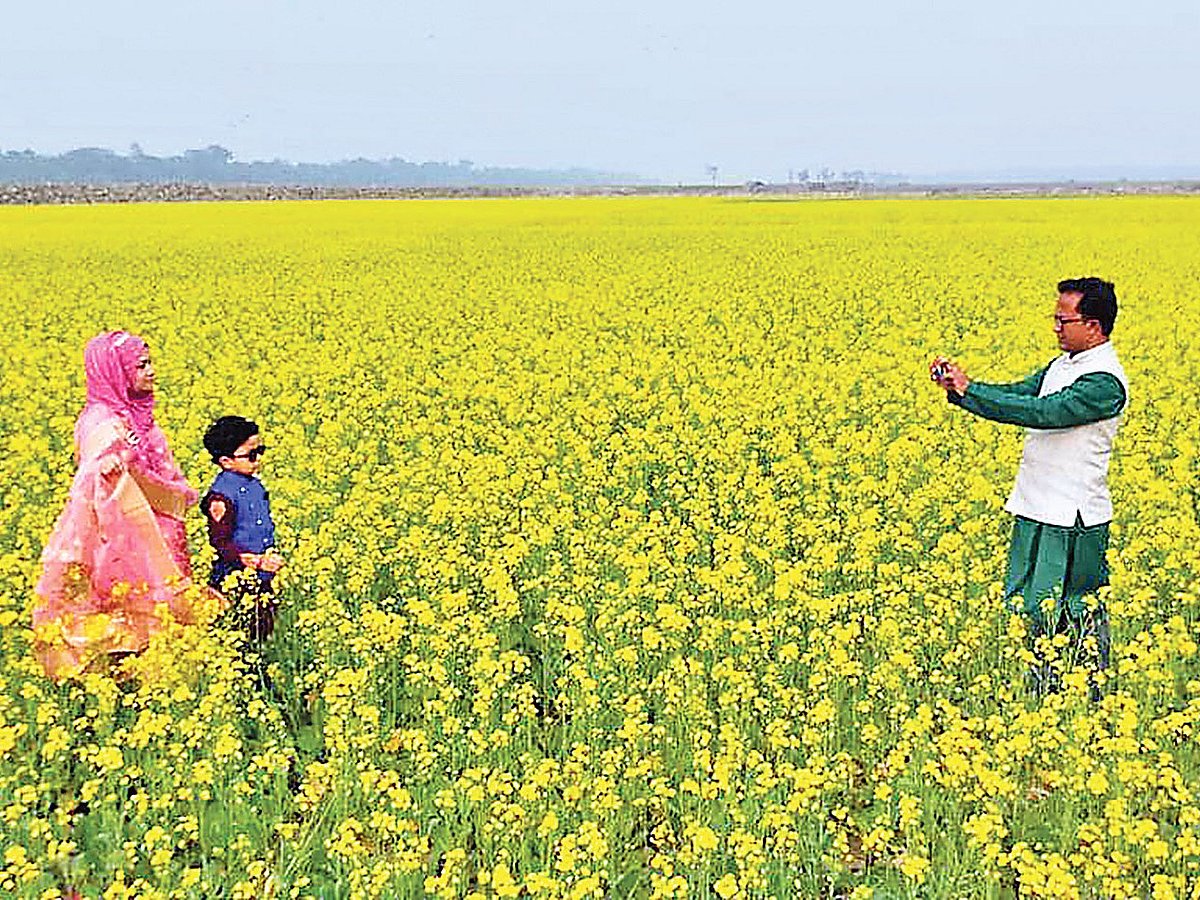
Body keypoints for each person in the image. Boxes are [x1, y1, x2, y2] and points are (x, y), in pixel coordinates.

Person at [931, 277, 1128, 694]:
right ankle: (1044, 693)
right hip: (1038, 507)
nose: (1055, 327)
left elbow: (1042, 412)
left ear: (1093, 325)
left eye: (1063, 320)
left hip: (1073, 516)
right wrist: (962, 389)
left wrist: (973, 391)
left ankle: (1092, 696)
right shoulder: (1062, 365)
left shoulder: (1104, 382)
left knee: (1078, 608)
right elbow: (1017, 394)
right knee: (1034, 609)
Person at [32, 331, 200, 678]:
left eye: (150, 363)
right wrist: (110, 469)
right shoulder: (102, 422)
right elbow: (93, 476)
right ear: (116, 372)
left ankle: (161, 692)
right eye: (141, 366)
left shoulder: (136, 414)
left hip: (157, 534)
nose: (152, 371)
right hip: (126, 544)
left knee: (160, 627)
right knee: (129, 625)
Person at [201, 415, 285, 640]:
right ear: (226, 461)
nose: (258, 459)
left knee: (263, 632)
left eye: (261, 451)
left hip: (264, 575)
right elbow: (221, 543)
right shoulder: (221, 497)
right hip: (235, 578)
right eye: (251, 455)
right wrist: (255, 560)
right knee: (238, 634)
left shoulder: (256, 485)